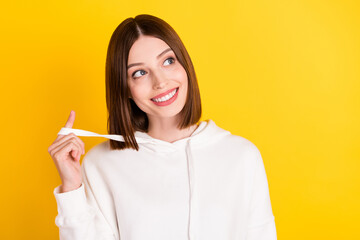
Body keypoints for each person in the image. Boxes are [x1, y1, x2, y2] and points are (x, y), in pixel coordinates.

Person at [48, 14, 277, 240]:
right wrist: (72, 188)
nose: (160, 82)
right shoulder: (102, 163)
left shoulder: (242, 156)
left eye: (168, 61)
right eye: (140, 73)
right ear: (125, 88)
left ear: (184, 65)